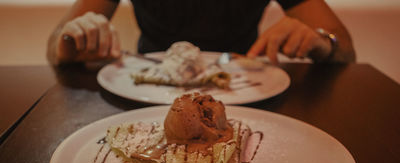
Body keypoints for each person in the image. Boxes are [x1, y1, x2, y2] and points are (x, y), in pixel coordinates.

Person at [47, 0, 356, 66]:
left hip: (247, 90)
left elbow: (344, 49)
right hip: (146, 93)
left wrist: (320, 42)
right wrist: (71, 39)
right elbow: (56, 46)